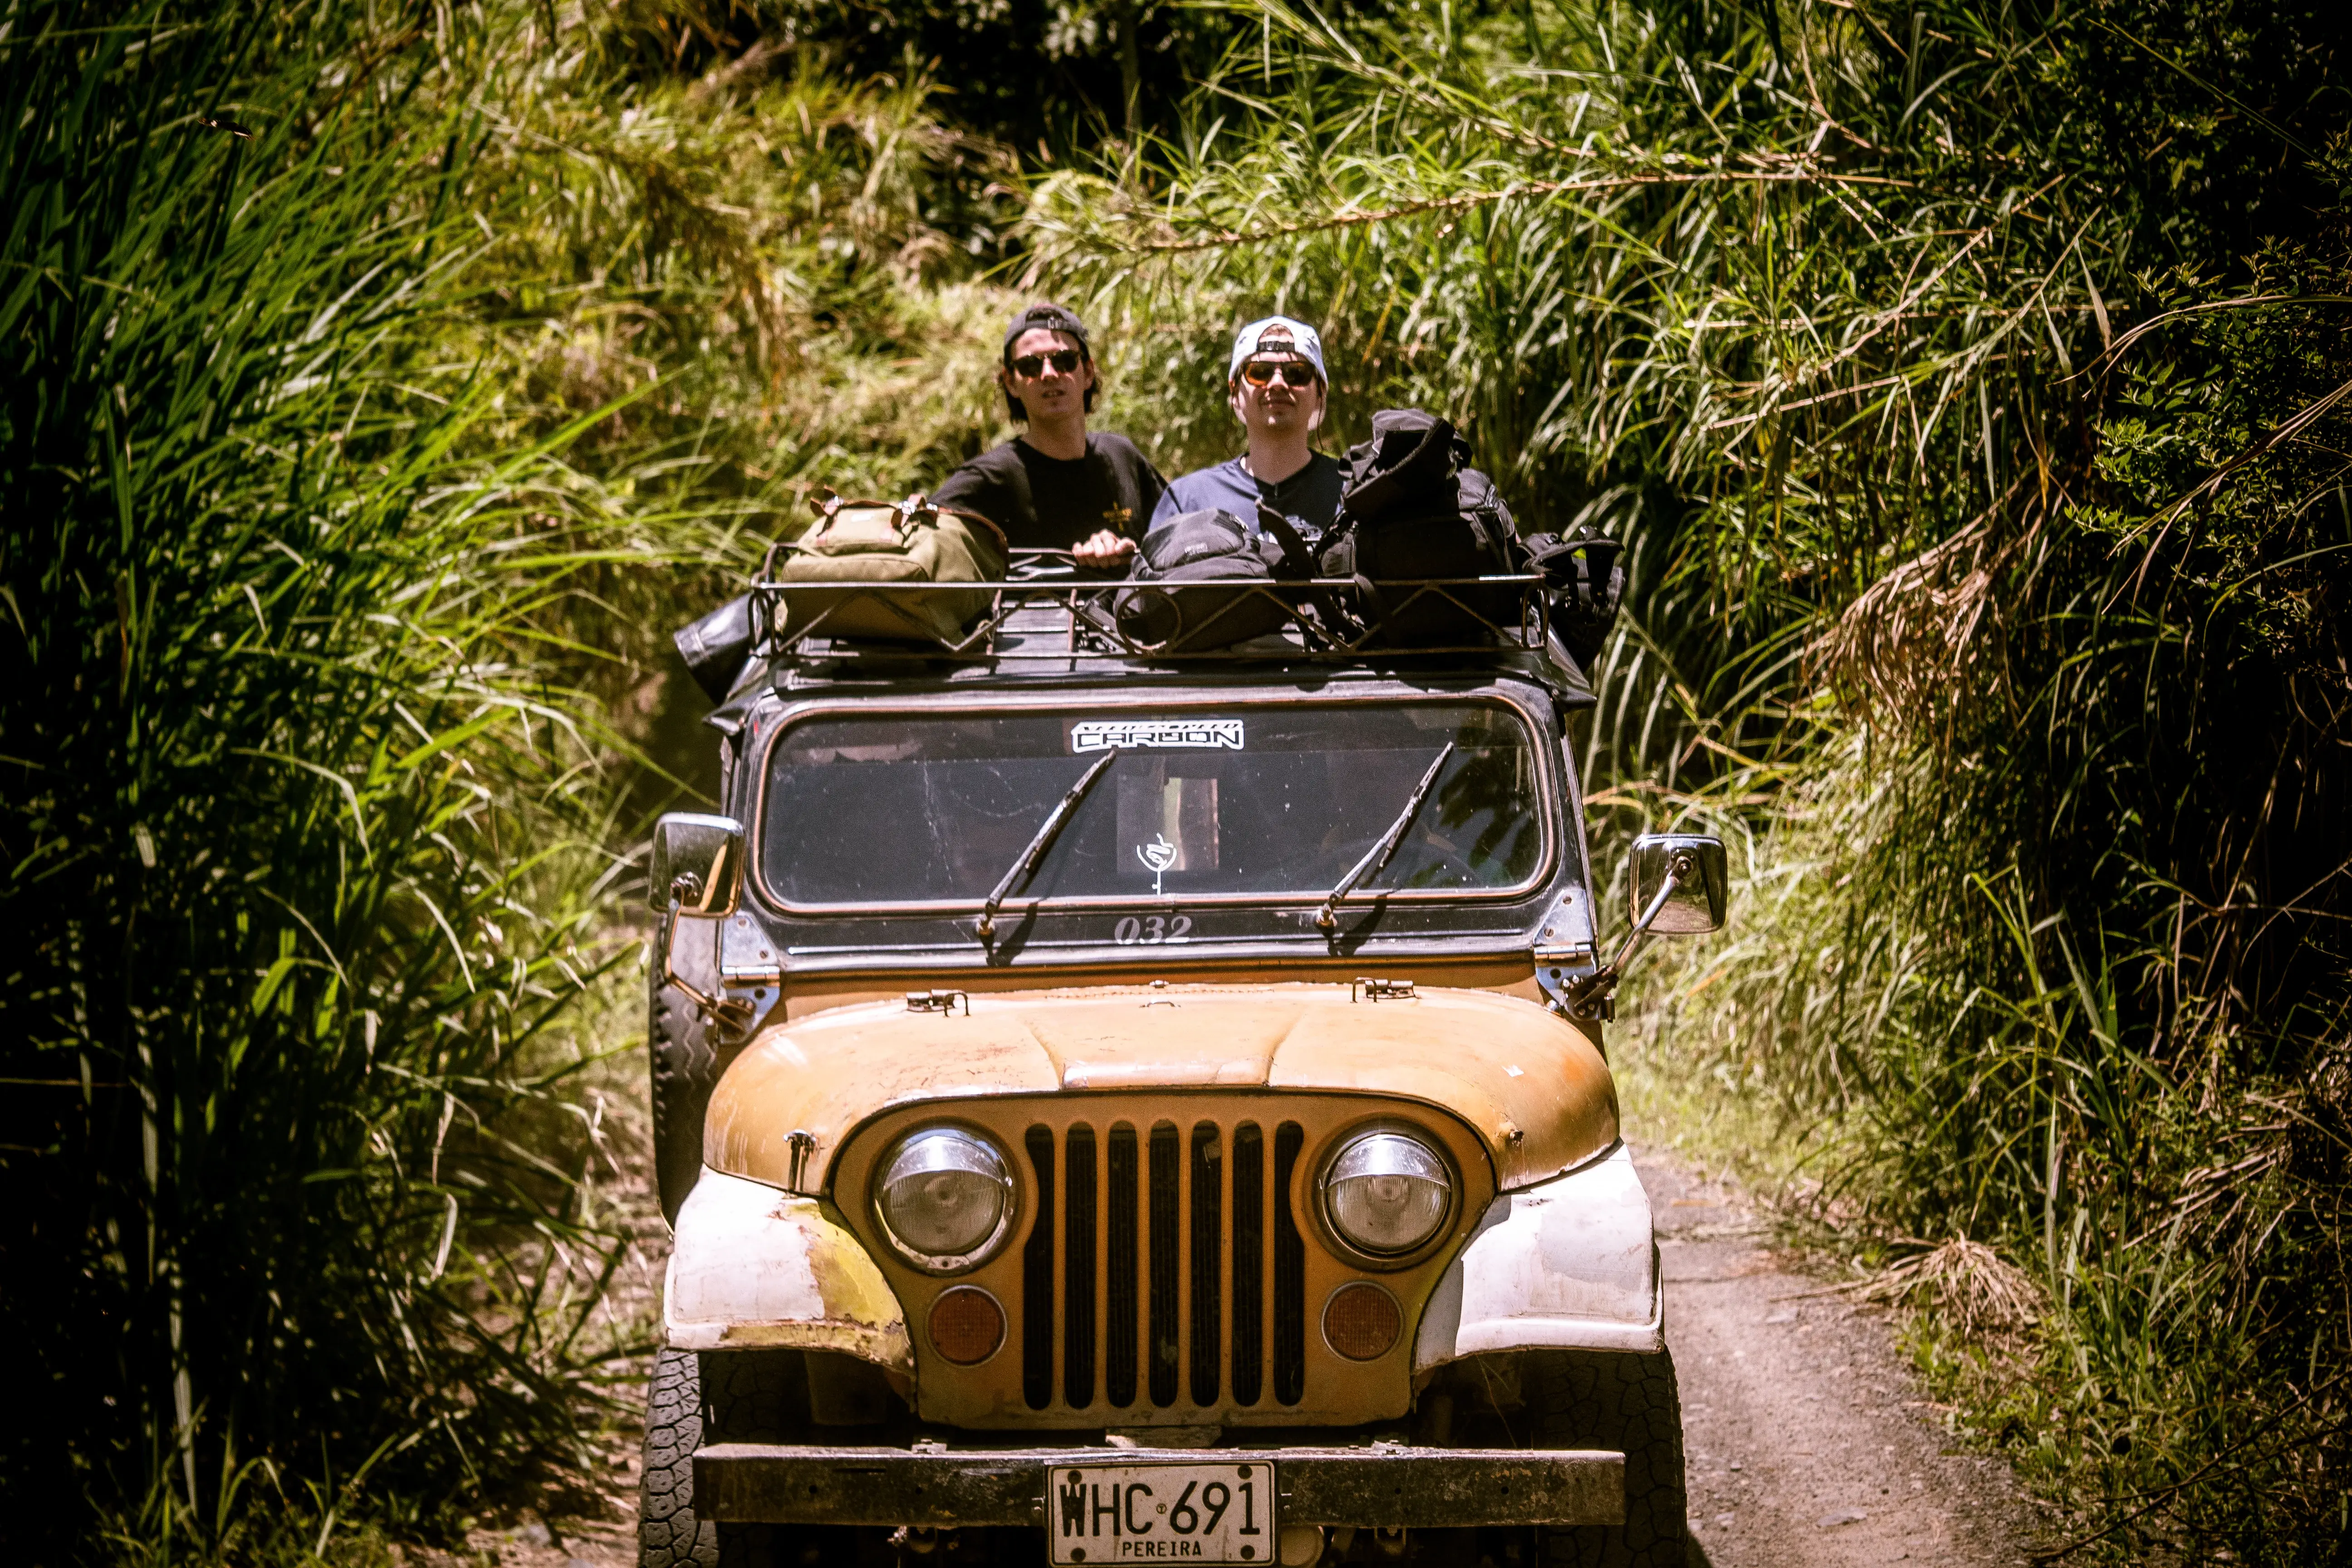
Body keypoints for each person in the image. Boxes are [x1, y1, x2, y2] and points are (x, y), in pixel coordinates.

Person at [929, 302, 1165, 568]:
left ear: (1087, 372)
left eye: (1064, 361)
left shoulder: (1123, 457)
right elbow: (926, 537)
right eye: (1030, 366)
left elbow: (1174, 539)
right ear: (1010, 382)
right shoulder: (991, 477)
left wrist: (1129, 552)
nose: (1049, 374)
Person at [1149, 316, 1348, 542]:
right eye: (1260, 372)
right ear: (1234, 392)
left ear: (1320, 393)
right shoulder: (1189, 501)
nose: (1277, 383)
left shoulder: (1352, 495)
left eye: (1297, 373)